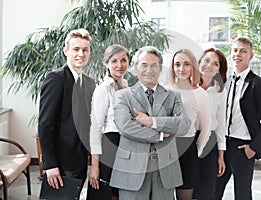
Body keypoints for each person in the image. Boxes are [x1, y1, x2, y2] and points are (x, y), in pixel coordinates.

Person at [109, 46, 191, 200]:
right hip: (132, 168)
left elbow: (184, 124)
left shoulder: (173, 96)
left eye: (154, 65)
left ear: (160, 68)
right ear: (135, 68)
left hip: (165, 168)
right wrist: (161, 134)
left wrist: (152, 121)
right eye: (144, 65)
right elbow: (126, 127)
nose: (149, 70)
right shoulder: (122, 96)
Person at [214, 37, 261, 199]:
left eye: (243, 51)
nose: (238, 54)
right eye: (235, 50)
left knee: (242, 194)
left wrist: (253, 148)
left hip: (243, 148)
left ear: (251, 56)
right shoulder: (225, 83)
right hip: (223, 145)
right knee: (214, 191)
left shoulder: (259, 84)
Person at [38, 28, 95, 196]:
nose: (81, 54)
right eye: (76, 49)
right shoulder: (56, 79)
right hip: (60, 163)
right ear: (66, 51)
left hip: (80, 161)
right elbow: (45, 125)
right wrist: (50, 164)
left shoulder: (89, 83)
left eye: (85, 50)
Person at [87, 44, 130, 200]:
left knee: (119, 194)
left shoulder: (126, 87)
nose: (119, 65)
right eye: (114, 61)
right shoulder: (103, 89)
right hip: (109, 147)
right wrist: (95, 166)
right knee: (106, 194)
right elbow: (96, 128)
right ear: (106, 64)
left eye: (123, 60)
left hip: (124, 146)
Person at [169, 49, 211, 200]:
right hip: (166, 148)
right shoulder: (165, 90)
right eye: (178, 64)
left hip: (188, 149)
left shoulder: (201, 94)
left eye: (186, 64)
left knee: (185, 196)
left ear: (193, 66)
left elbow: (205, 129)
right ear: (172, 67)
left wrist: (195, 151)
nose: (182, 69)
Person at [193, 48, 227, 200]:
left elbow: (221, 124)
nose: (209, 65)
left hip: (210, 143)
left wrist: (221, 155)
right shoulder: (187, 87)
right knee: (187, 187)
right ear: (199, 62)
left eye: (215, 64)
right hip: (189, 140)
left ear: (220, 69)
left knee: (207, 189)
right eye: (206, 60)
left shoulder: (220, 92)